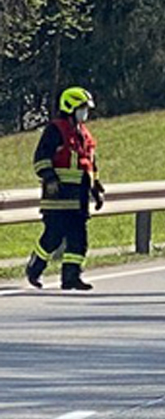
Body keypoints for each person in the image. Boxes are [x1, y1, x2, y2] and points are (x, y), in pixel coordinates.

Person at [26, 87, 105, 291]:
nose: (85, 113)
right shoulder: (55, 130)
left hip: (79, 198)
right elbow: (41, 158)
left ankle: (71, 276)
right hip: (57, 196)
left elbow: (89, 163)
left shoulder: (83, 134)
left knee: (78, 238)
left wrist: (96, 188)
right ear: (70, 107)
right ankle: (35, 267)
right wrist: (50, 178)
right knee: (53, 236)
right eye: (82, 108)